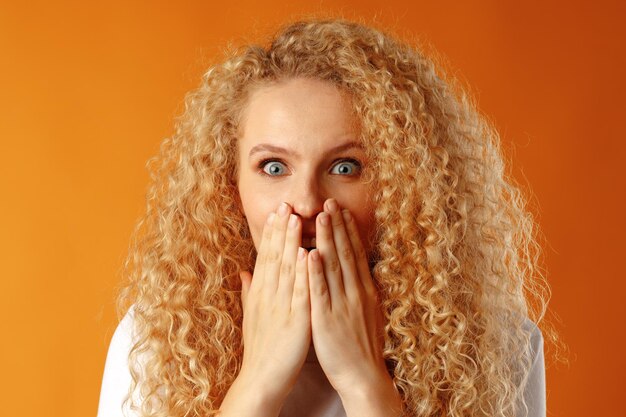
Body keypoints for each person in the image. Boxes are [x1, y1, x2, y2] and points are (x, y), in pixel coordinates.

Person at [97, 18, 552, 417]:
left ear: (404, 184)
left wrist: (364, 383)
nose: (308, 202)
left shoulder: (498, 346)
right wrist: (258, 383)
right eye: (274, 167)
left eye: (345, 167)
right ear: (229, 186)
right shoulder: (155, 340)